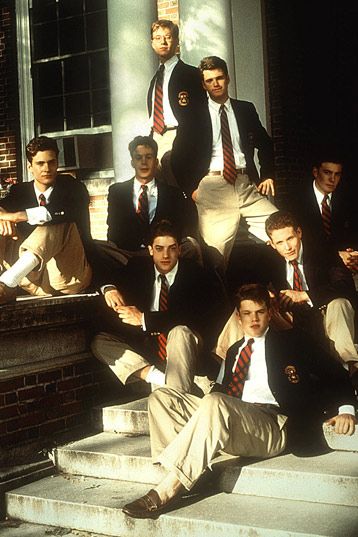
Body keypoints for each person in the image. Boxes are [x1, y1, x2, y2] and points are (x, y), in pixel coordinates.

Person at [122, 284, 356, 519]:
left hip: (273, 425)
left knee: (214, 401)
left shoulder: (293, 340)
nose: (254, 319)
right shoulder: (234, 351)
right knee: (162, 398)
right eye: (247, 313)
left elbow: (335, 373)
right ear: (238, 316)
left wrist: (346, 408)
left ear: (270, 312)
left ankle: (167, 489)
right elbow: (223, 391)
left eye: (260, 312)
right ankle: (180, 473)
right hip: (237, 421)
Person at [91, 220, 225, 392]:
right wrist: (109, 288)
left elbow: (189, 316)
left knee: (180, 331)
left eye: (172, 248)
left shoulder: (196, 274)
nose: (166, 255)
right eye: (159, 248)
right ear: (150, 250)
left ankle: (177, 391)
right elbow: (103, 273)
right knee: (100, 342)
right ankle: (159, 378)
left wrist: (143, 319)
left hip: (185, 346)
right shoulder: (137, 267)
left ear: (180, 249)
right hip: (149, 347)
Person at [187, 56, 277, 271]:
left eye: (219, 78)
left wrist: (267, 175)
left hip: (245, 184)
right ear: (203, 84)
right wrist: (191, 188)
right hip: (213, 188)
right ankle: (220, 304)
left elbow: (265, 143)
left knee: (284, 231)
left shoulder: (245, 109)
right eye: (209, 80)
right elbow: (181, 156)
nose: (215, 84)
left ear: (227, 79)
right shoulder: (194, 115)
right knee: (215, 259)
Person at [265, 210, 358, 386]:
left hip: (324, 312)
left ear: (299, 233)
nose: (287, 247)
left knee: (339, 303)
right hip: (292, 318)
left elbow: (345, 286)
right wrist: (267, 295)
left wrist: (304, 295)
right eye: (280, 242)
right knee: (247, 310)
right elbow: (251, 288)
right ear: (271, 244)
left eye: (290, 238)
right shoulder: (268, 260)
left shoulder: (322, 253)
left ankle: (351, 368)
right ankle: (224, 367)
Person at [0, 136, 92, 304]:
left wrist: (17, 216)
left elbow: (63, 212)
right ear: (30, 167)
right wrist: (2, 215)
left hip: (69, 276)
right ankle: (5, 284)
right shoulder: (19, 191)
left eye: (52, 162)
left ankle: (6, 283)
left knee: (55, 221)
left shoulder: (73, 187)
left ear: (57, 163)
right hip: (32, 281)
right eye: (40, 164)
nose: (47, 168)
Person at [106, 135, 198, 261]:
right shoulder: (117, 192)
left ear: (156, 162)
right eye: (138, 157)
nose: (144, 162)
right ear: (132, 162)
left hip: (163, 255)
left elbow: (179, 227)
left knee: (191, 247)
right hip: (128, 254)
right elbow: (113, 229)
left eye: (149, 157)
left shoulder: (172, 194)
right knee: (99, 248)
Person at [148, 20, 206, 190]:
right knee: (160, 192)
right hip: (156, 138)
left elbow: (200, 114)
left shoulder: (190, 74)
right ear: (152, 43)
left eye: (168, 37)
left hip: (179, 136)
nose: (163, 42)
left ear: (176, 41)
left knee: (182, 189)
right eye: (158, 38)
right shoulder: (155, 80)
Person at [289, 154, 357, 277]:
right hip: (311, 269)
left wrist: (353, 252)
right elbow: (300, 243)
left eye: (337, 174)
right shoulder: (296, 200)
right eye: (327, 173)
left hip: (345, 269)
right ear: (315, 172)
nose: (332, 179)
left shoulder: (347, 198)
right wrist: (335, 256)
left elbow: (352, 232)